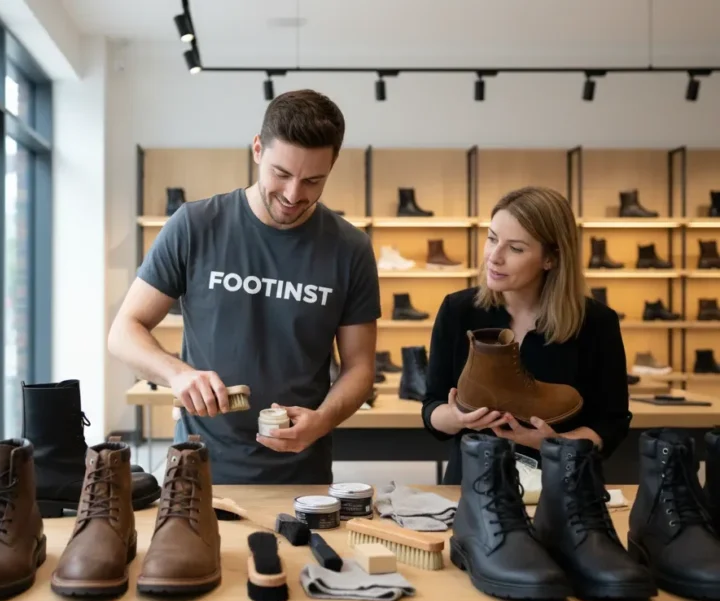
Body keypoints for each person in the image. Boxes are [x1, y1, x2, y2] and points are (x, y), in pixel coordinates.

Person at [108, 89, 380, 485]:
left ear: (332, 167)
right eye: (281, 174)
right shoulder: (194, 226)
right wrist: (179, 375)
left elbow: (359, 367)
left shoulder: (350, 248)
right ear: (257, 149)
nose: (293, 195)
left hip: (301, 473)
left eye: (313, 180)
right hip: (198, 472)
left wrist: (321, 421)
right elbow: (123, 332)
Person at [421, 186, 631, 485]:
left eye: (516, 248)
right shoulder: (458, 310)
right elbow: (432, 407)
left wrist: (553, 443)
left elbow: (612, 423)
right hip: (473, 482)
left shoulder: (596, 323)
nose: (494, 257)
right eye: (492, 239)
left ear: (552, 258)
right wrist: (458, 418)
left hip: (562, 487)